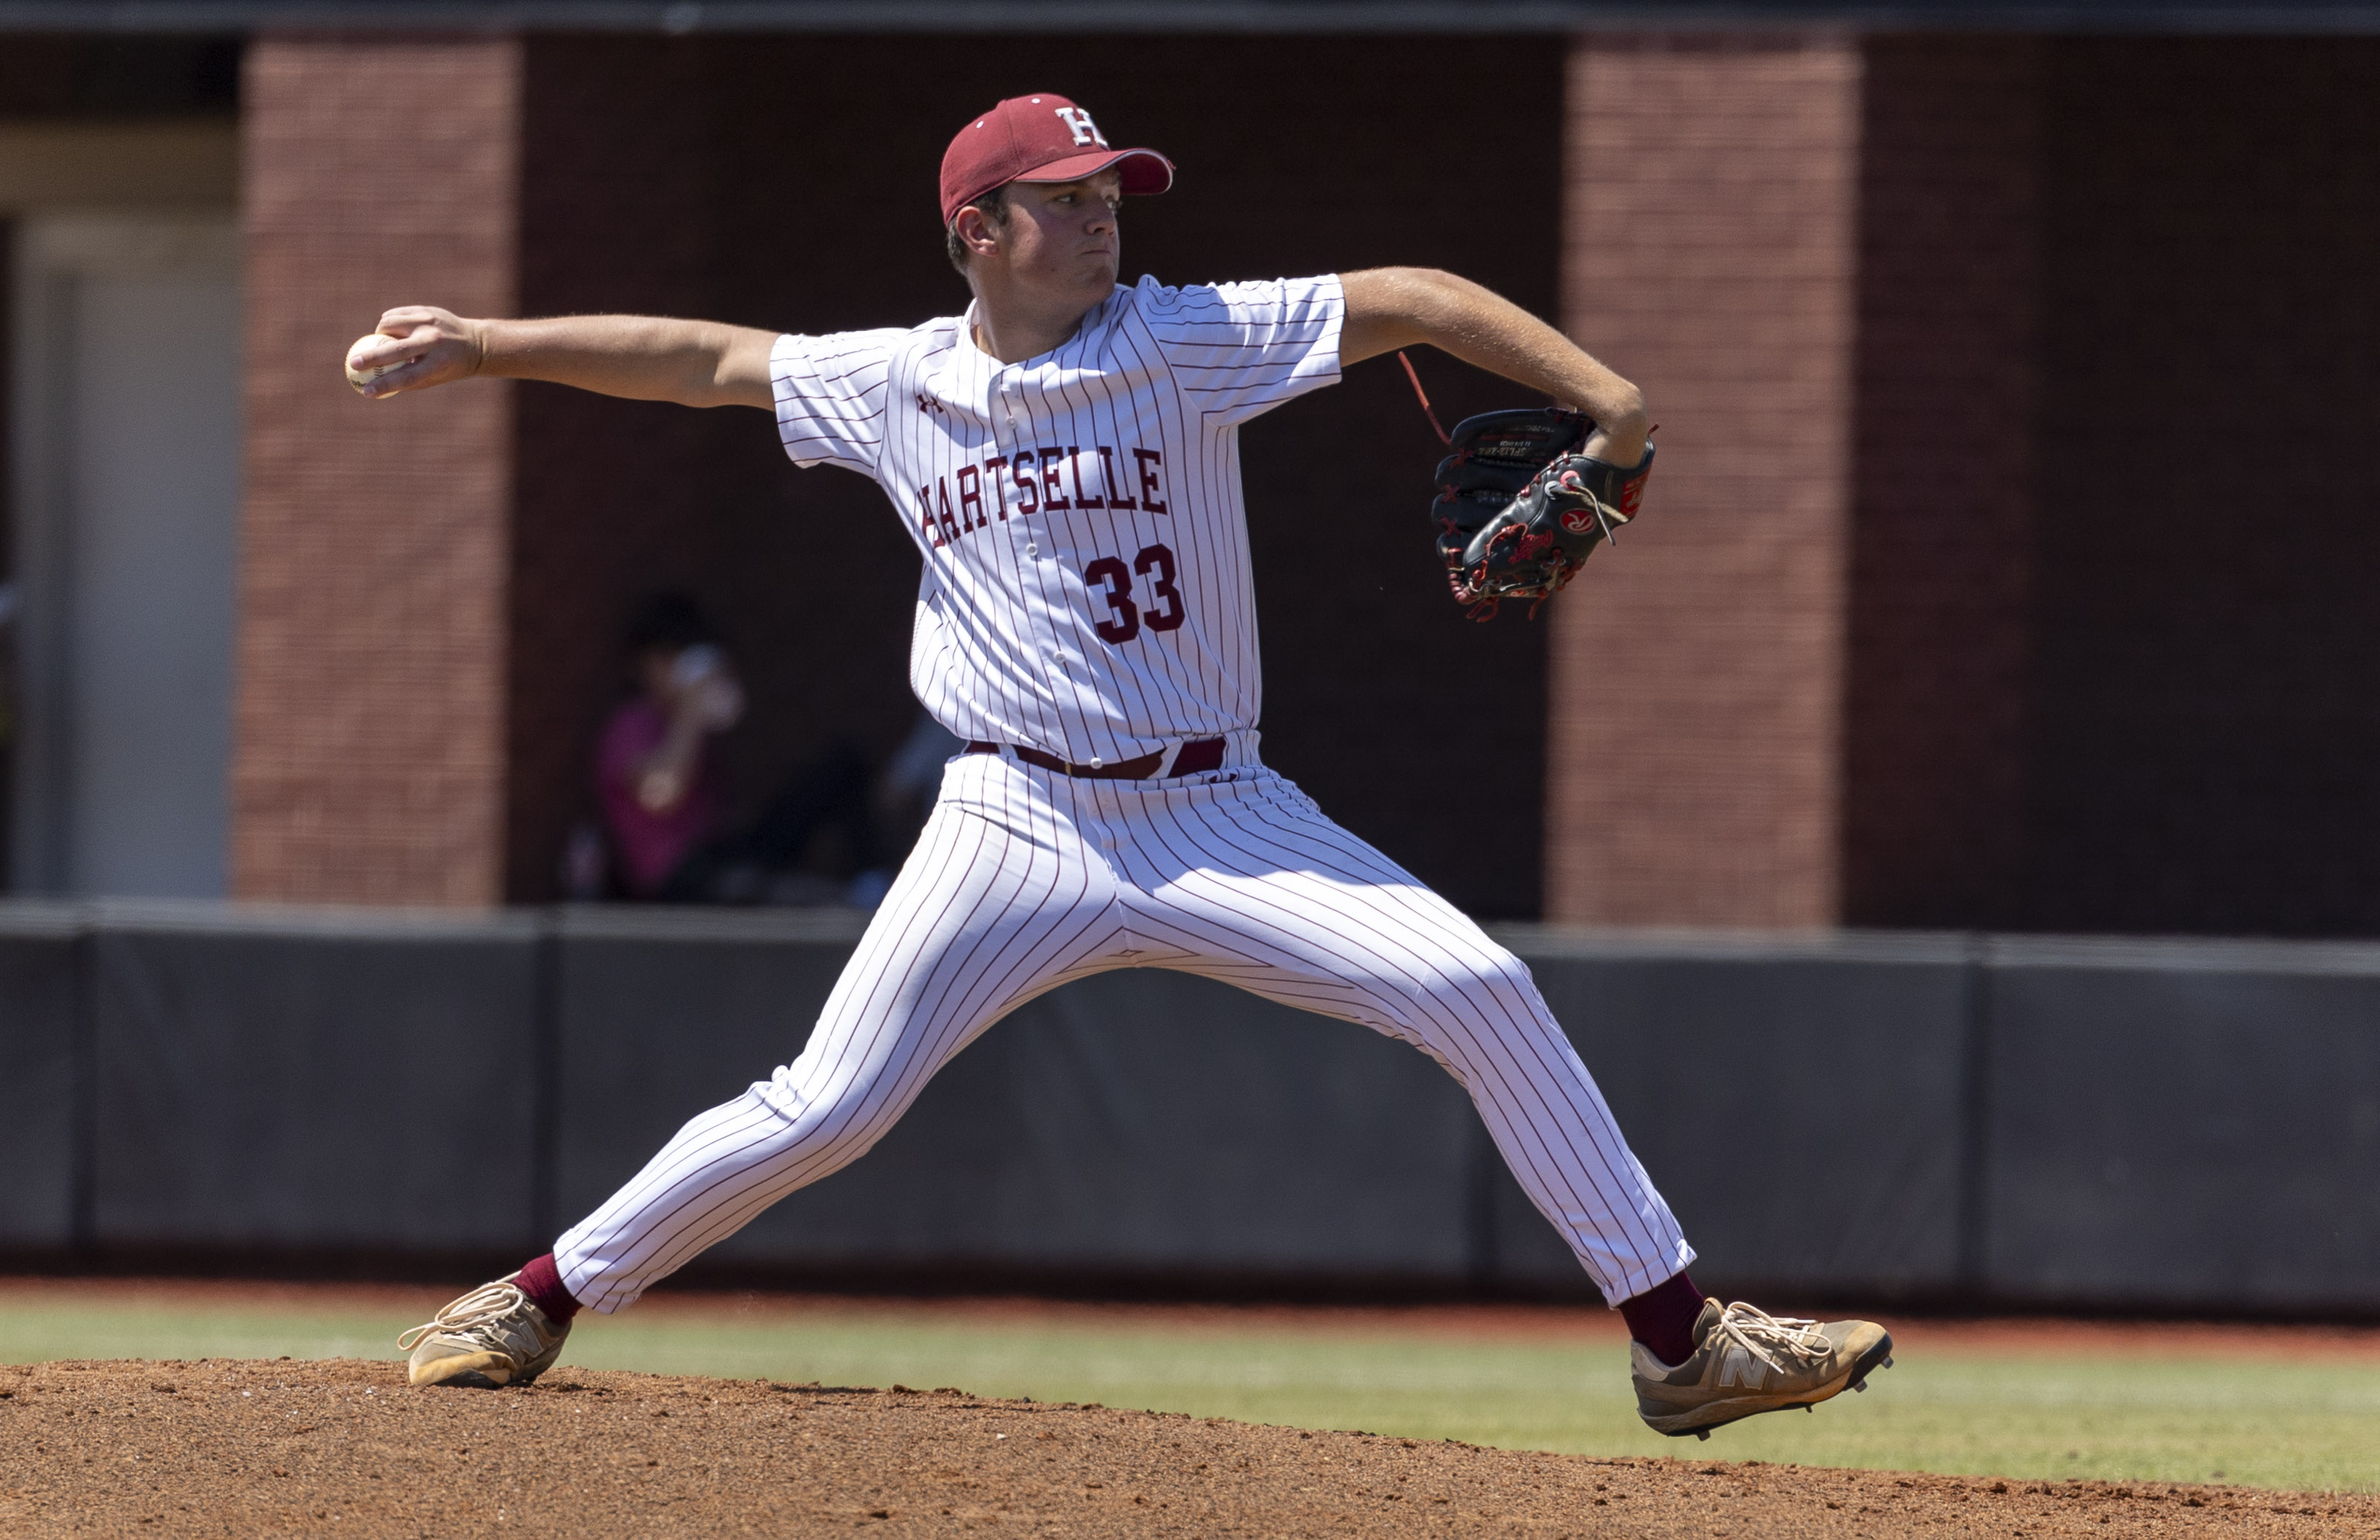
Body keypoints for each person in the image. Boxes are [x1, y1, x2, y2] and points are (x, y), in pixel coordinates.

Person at [369, 93, 1890, 1439]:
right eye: (1071, 199)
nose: (1106, 220)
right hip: (1009, 818)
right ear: (977, 227)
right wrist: (486, 346)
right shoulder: (896, 382)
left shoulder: (1177, 340)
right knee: (827, 1104)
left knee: (1474, 988)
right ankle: (534, 1298)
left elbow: (1416, 297)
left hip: (1217, 808)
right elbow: (703, 358)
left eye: (1113, 197)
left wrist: (1610, 405)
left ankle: (1681, 1346)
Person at [593, 592, 887, 906]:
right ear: (644, 663)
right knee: (757, 888)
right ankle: (849, 900)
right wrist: (691, 709)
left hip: (724, 854)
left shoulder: (686, 724)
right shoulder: (631, 722)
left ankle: (872, 880)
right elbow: (661, 793)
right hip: (677, 883)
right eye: (669, 659)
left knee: (842, 764)